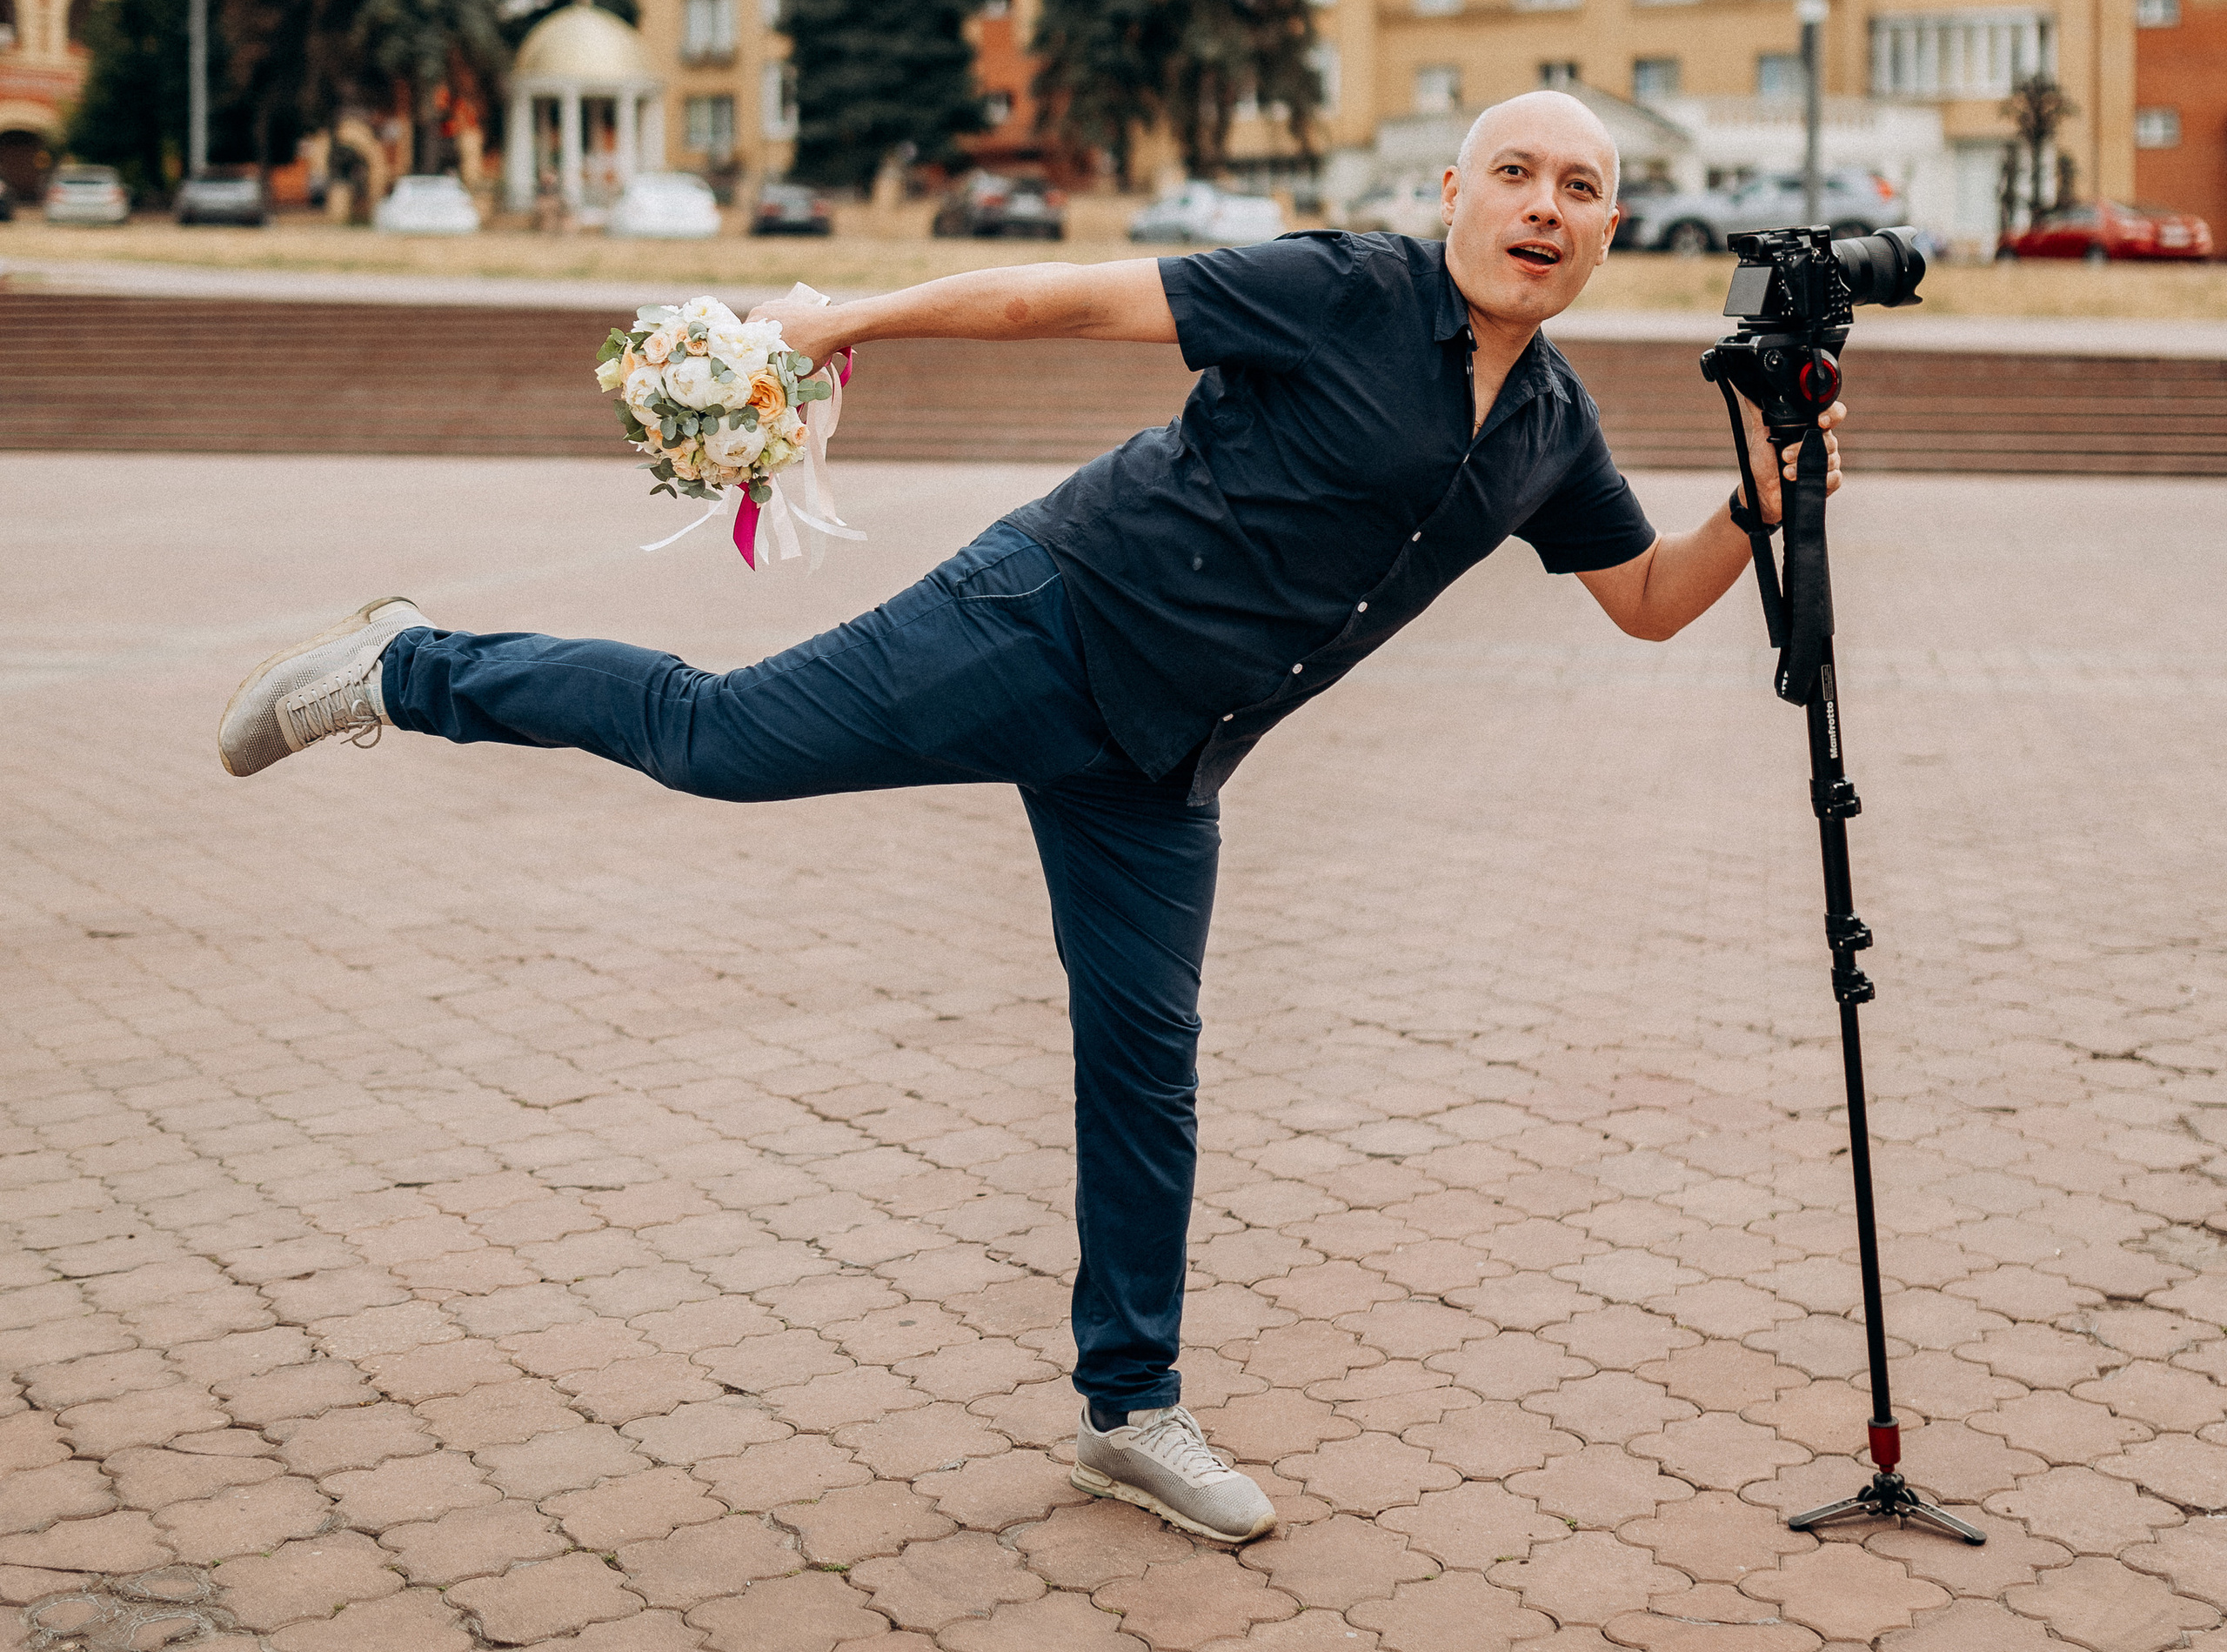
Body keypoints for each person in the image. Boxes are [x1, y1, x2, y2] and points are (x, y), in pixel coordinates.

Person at [218, 93, 1841, 1545]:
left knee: (1146, 1071)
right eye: (1515, 173)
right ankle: (406, 662)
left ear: (1612, 231)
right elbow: (1063, 295)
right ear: (1454, 192)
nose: (1544, 207)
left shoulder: (1551, 430)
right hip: (1039, 619)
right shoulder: (1348, 287)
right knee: (720, 739)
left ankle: (1131, 1415)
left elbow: (1644, 601)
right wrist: (829, 321)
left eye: (1581, 187)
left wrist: (1758, 502)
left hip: (1162, 763)